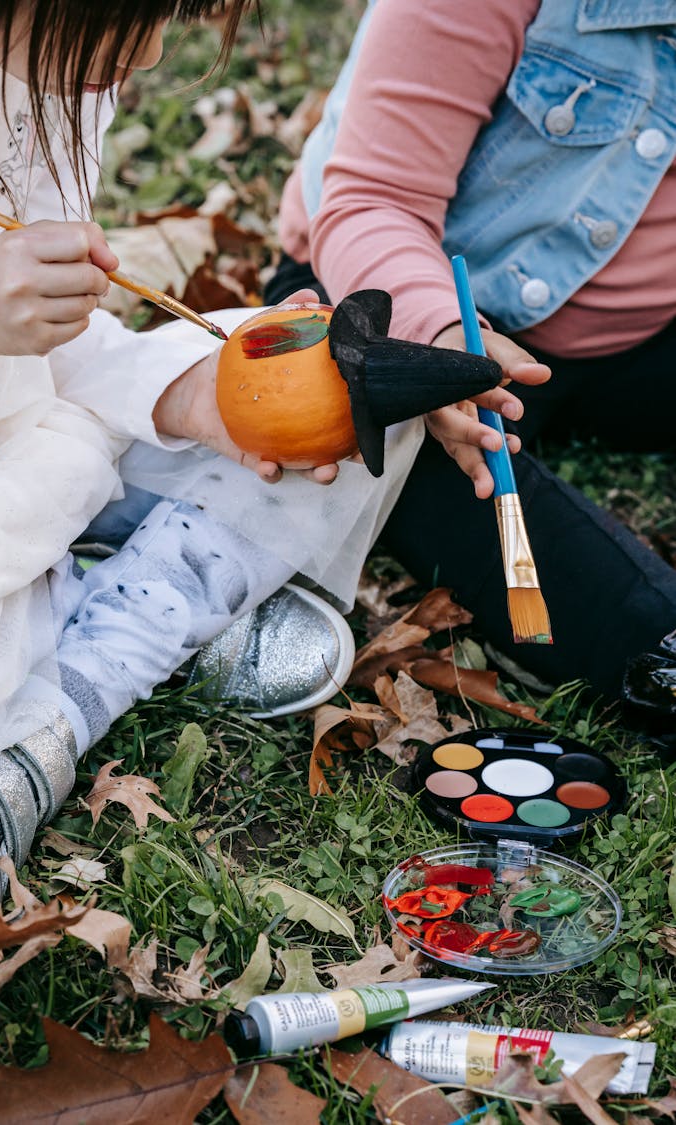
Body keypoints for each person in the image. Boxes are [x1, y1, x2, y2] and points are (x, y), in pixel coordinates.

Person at [0, 0, 446, 939]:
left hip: (7, 451)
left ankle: (72, 670)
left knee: (359, 403)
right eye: (139, 8)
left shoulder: (48, 67)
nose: (157, 50)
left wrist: (199, 399)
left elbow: (45, 361)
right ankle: (111, 646)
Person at [267, 0, 676, 733]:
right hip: (400, 306)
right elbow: (372, 199)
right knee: (408, 449)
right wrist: (443, 335)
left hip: (634, 335)